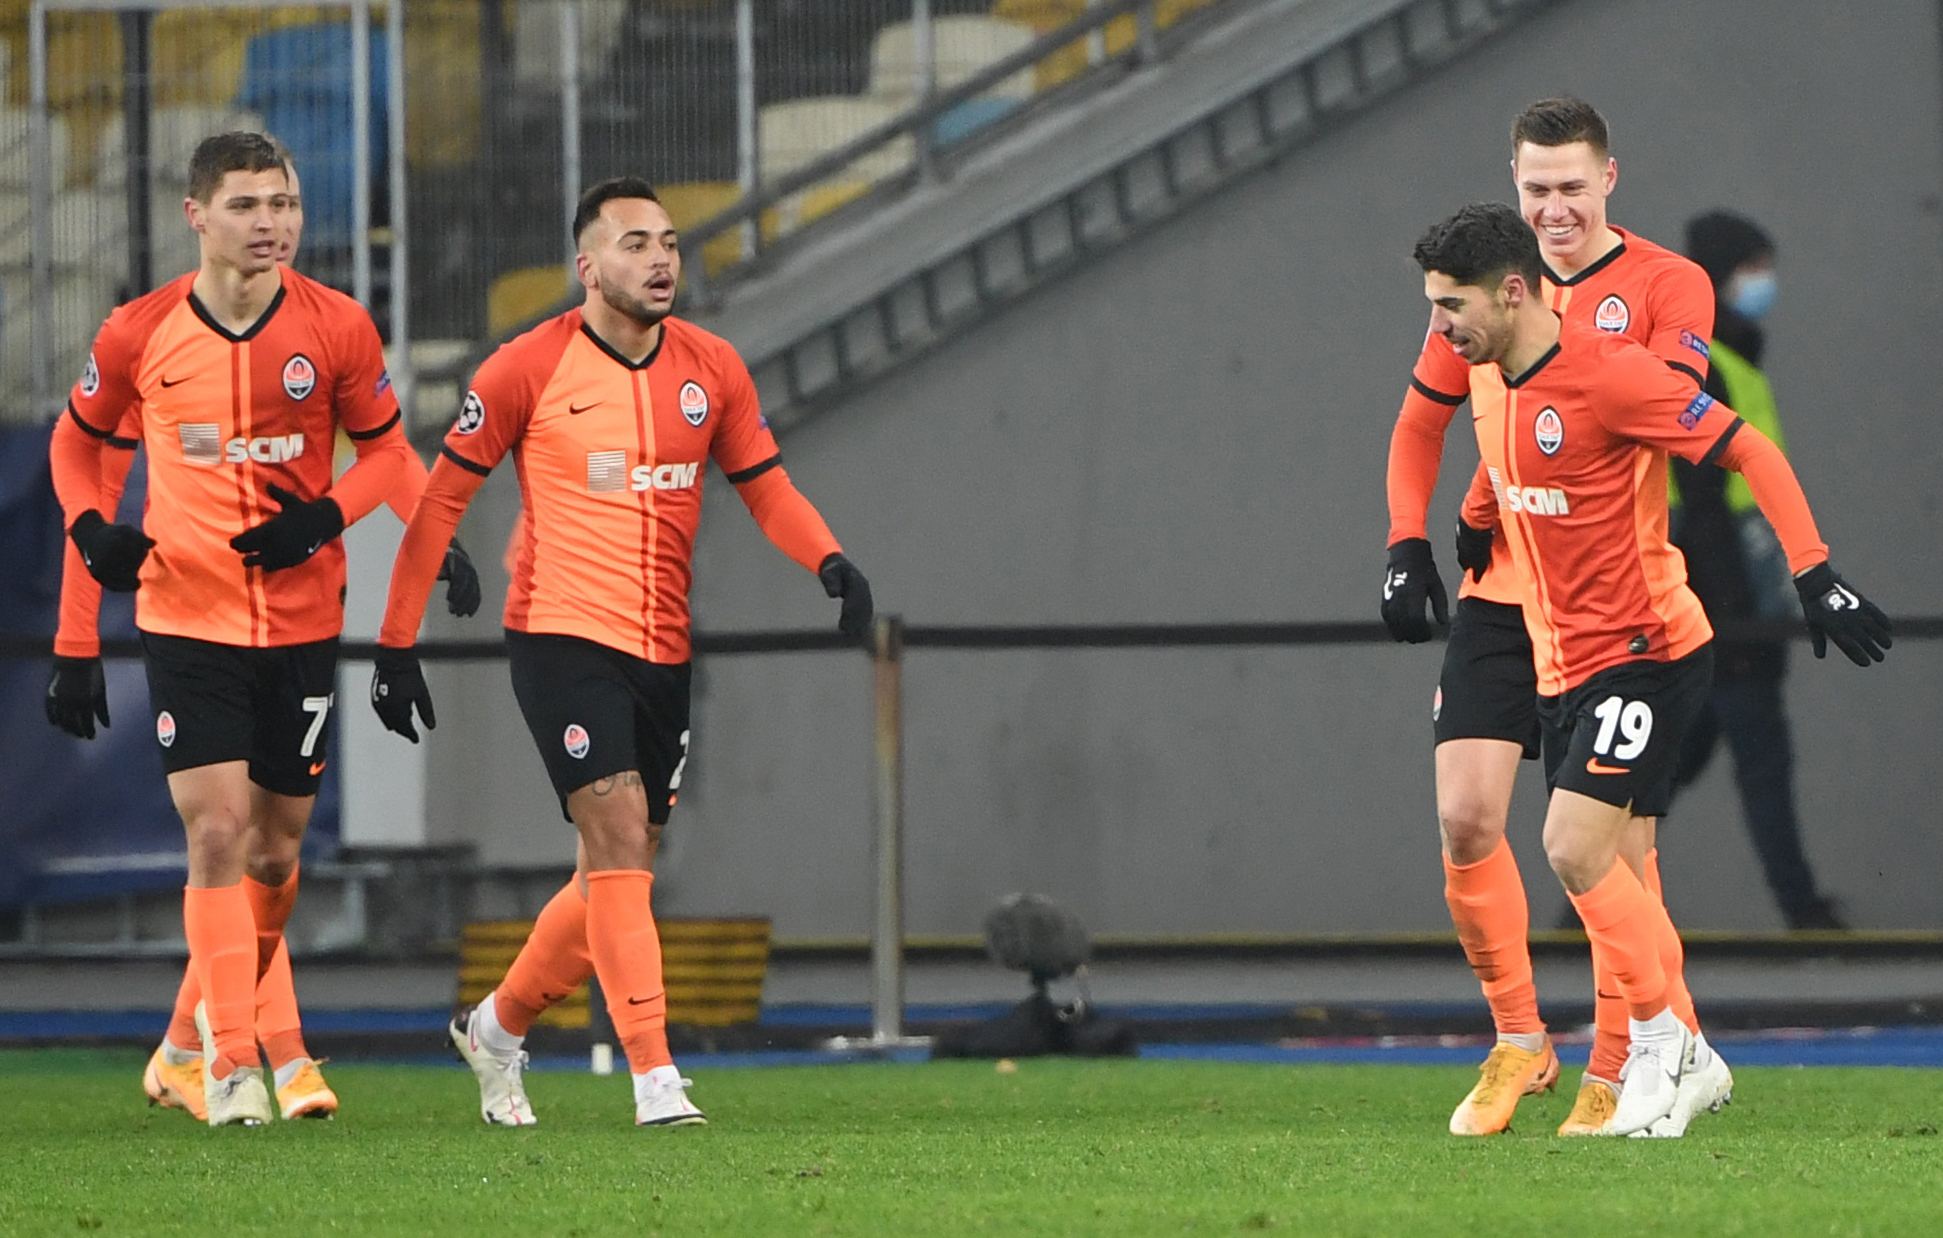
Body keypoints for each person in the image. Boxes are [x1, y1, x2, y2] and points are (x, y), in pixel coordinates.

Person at [369, 177, 873, 1128]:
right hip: (559, 633)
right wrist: (398, 646)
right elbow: (440, 502)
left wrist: (830, 559)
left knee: (618, 865)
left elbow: (765, 487)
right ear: (586, 265)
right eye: (636, 243)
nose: (660, 259)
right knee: (615, 832)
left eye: (670, 242)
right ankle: (655, 1078)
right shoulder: (524, 369)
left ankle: (496, 1029)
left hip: (661, 646)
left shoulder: (712, 367)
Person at [1412, 201, 1888, 1135]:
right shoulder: (1494, 379)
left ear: (1512, 294)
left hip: (1649, 650)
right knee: (1612, 867)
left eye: (1449, 306)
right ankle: (1654, 1052)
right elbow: (1506, 470)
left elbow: (1745, 446)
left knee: (1569, 846)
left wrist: (1814, 574)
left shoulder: (1611, 374)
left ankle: (1672, 1045)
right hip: (1563, 664)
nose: (1439, 328)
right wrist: (1469, 516)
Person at [46, 131, 474, 1127]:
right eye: (246, 205)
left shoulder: (335, 327)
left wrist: (389, 528)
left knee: (277, 856)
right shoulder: (138, 332)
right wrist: (87, 532)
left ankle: (180, 1043)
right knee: (219, 832)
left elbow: (383, 453)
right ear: (195, 215)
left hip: (300, 621)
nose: (271, 222)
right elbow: (75, 442)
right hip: (184, 617)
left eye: (283, 202)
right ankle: (238, 1063)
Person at [1380, 97, 1717, 1136]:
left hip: (1614, 606)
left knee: (1606, 852)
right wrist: (1408, 539)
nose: (1555, 205)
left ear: (1608, 179)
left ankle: (1626, 1060)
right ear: (1512, 188)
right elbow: (1420, 422)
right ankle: (1518, 1038)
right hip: (1501, 593)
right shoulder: (1480, 291)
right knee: (1464, 816)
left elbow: (1648, 417)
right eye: (1535, 188)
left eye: (1571, 185)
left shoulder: (1662, 284)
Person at [1667, 212, 1844, 930]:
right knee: (1760, 764)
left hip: (1725, 605)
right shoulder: (1707, 364)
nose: (1763, 283)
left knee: (1666, 773)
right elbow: (1707, 504)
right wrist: (1739, 624)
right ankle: (1803, 916)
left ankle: (1574, 923)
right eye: (1753, 267)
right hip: (1725, 612)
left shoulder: (1732, 359)